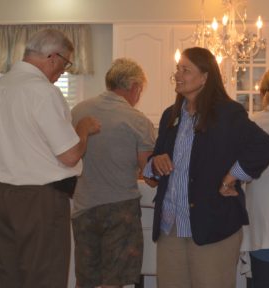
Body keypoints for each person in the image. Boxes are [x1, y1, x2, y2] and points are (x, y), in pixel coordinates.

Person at [143, 47, 269, 288]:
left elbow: (264, 147)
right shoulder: (169, 116)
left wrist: (231, 177)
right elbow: (155, 162)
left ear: (205, 77)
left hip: (213, 225)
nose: (178, 75)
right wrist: (154, 163)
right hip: (170, 227)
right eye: (177, 70)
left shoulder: (227, 113)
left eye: (186, 70)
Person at [0, 29, 100, 288]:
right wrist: (83, 128)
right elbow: (70, 155)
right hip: (39, 202)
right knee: (44, 278)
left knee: (4, 277)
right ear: (52, 57)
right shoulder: (42, 92)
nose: (62, 72)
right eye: (65, 64)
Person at [71, 57, 156, 288]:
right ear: (134, 87)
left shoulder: (79, 110)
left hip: (83, 208)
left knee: (86, 280)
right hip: (120, 210)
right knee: (113, 282)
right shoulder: (138, 121)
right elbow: (148, 172)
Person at [240, 67, 269, 288]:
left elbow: (241, 172)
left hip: (262, 221)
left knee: (261, 283)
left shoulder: (253, 123)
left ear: (261, 93)